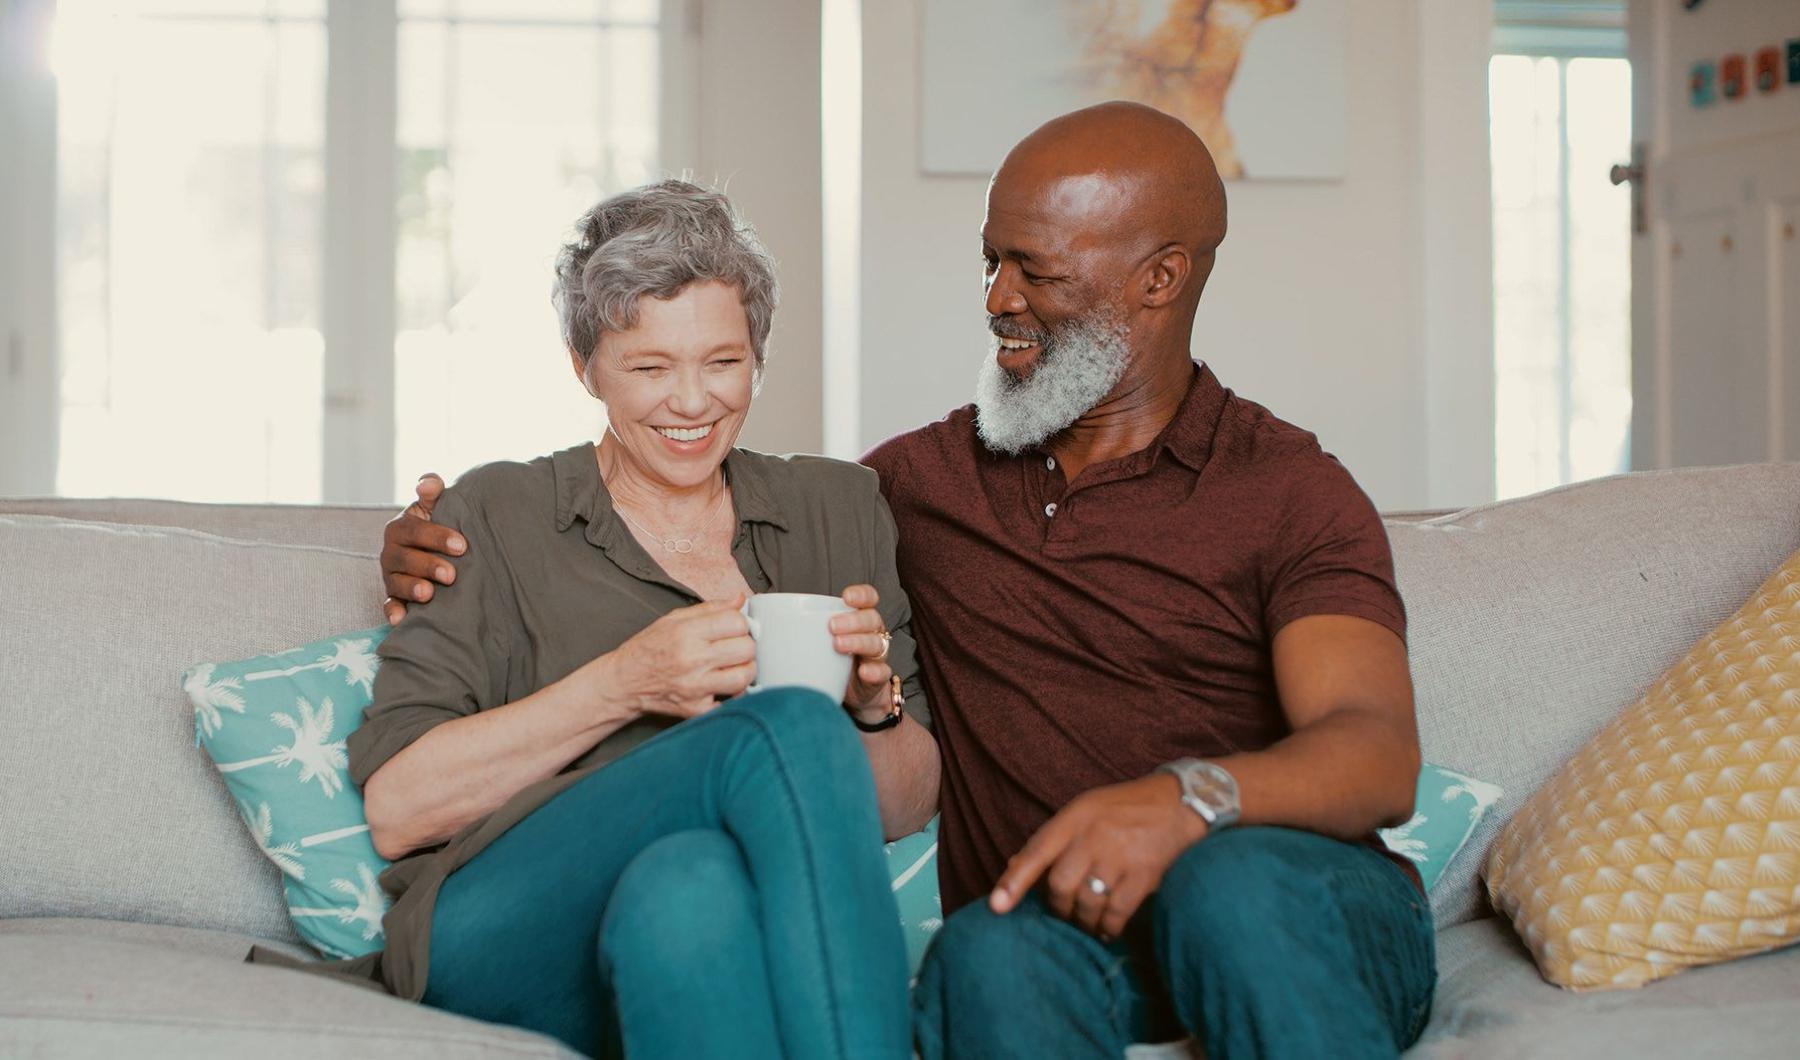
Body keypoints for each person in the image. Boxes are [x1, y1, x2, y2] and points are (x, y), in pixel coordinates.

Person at [384, 104, 1434, 1059]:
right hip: (1053, 925)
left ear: (1159, 278)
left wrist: (1186, 800)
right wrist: (418, 546)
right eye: (990, 264)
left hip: (1273, 895)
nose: (997, 300)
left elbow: (1377, 750)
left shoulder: (1285, 485)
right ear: (589, 367)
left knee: (1227, 883)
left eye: (1035, 271)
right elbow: (406, 790)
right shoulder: (916, 486)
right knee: (982, 949)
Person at [320, 179, 937, 1060]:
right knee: (787, 725)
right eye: (649, 367)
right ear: (586, 366)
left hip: (695, 916)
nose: (691, 403)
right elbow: (400, 811)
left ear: (758, 355)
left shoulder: (840, 508)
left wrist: (874, 712)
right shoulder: (494, 511)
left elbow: (907, 803)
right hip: (503, 927)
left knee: (690, 891)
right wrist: (624, 683)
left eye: (722, 362)